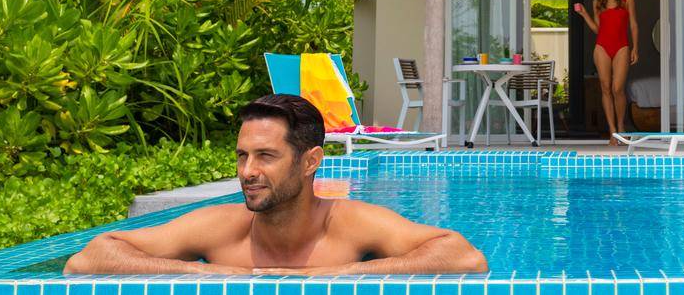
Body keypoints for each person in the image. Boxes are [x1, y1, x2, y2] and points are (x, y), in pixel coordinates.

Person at [65, 94, 488, 276]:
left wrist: (340, 274)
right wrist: (208, 273)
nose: (247, 171)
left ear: (310, 161)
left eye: (266, 156)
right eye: (242, 155)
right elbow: (88, 259)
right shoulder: (220, 229)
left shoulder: (350, 224)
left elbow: (464, 257)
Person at [573, 0, 639, 145]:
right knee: (605, 88)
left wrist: (635, 48)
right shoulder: (597, 2)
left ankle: (621, 127)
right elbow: (597, 29)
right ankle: (612, 131)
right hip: (602, 47)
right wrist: (584, 14)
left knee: (618, 88)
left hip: (622, 47)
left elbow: (633, 25)